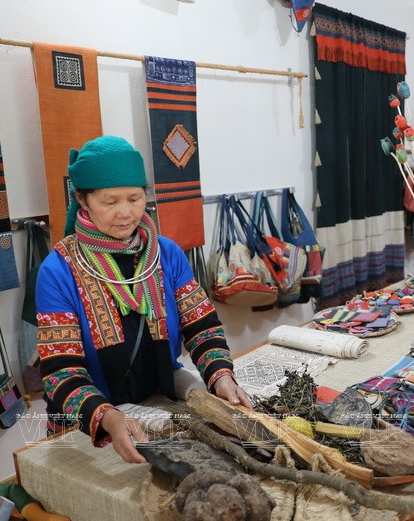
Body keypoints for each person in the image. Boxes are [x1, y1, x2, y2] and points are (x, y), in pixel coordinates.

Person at [35, 135, 252, 464]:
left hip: (157, 399)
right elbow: (61, 371)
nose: (125, 213)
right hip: (87, 420)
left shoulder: (165, 254)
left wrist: (220, 375)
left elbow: (201, 325)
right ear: (82, 198)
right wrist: (107, 418)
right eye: (110, 202)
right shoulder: (59, 270)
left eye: (134, 199)